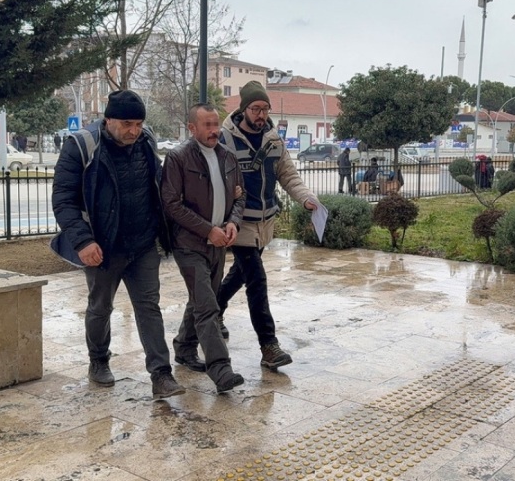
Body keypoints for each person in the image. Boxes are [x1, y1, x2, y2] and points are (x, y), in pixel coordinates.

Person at [51, 90, 185, 400]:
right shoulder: (81, 146)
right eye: (127, 124)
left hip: (142, 243)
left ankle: (161, 374)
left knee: (149, 307)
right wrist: (83, 241)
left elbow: (158, 185)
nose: (133, 131)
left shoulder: (146, 142)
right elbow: (63, 199)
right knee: (101, 308)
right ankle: (98, 360)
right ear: (108, 119)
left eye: (138, 124)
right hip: (103, 248)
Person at [217, 81, 318, 370]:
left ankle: (213, 310)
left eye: (265, 109)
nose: (261, 115)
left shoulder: (274, 141)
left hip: (265, 223)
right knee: (257, 281)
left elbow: (289, 176)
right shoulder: (225, 140)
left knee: (239, 274)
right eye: (255, 108)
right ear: (244, 109)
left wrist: (306, 199)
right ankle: (269, 346)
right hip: (239, 223)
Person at [161, 103, 247, 393]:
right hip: (189, 244)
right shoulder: (178, 158)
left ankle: (185, 347)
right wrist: (207, 229)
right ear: (192, 128)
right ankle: (220, 368)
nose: (214, 131)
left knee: (200, 299)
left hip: (219, 243)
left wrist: (233, 222)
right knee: (208, 305)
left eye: (216, 124)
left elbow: (240, 197)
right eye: (207, 125)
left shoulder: (227, 156)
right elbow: (171, 204)